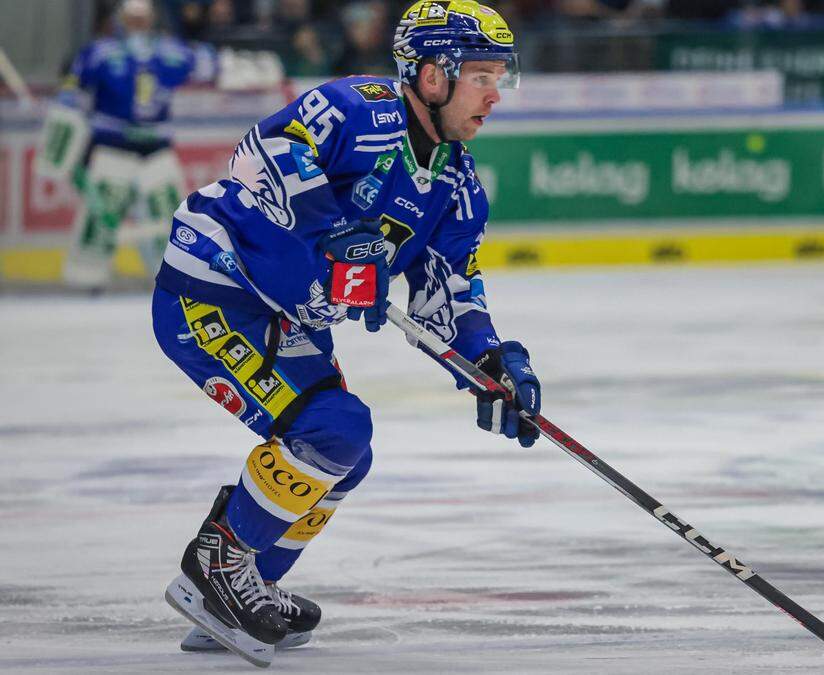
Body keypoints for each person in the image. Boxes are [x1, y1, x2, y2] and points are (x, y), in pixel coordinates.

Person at [152, 0, 539, 666]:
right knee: (334, 431)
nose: (494, 94)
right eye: (480, 75)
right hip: (214, 290)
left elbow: (451, 291)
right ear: (430, 75)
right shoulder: (358, 111)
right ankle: (222, 564)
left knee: (344, 451)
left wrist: (491, 361)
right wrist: (330, 230)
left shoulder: (458, 187)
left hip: (287, 315)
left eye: (499, 76)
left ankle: (239, 581)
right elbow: (265, 153)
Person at [43, 0, 216, 290]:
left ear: (151, 19)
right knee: (99, 221)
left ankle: (174, 280)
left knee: (169, 216)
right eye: (132, 18)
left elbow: (208, 64)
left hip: (157, 148)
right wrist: (67, 100)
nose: (137, 25)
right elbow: (73, 86)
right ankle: (86, 279)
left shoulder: (170, 50)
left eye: (142, 18)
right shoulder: (99, 53)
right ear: (121, 18)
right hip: (112, 148)